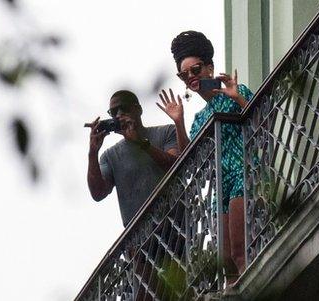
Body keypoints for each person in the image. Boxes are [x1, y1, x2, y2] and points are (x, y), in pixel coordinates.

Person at [156, 30, 254, 283]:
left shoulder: (236, 92)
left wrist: (238, 97)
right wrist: (178, 122)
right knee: (226, 264)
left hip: (240, 173)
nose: (190, 77)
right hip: (219, 186)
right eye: (184, 74)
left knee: (239, 251)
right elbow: (190, 161)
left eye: (195, 69)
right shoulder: (199, 119)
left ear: (209, 68)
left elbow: (261, 119)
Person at [87, 90, 179, 227]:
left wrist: (141, 142)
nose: (119, 114)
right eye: (113, 112)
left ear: (138, 109)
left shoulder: (167, 132)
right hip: (138, 238)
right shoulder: (109, 156)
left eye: (124, 108)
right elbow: (98, 193)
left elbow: (175, 167)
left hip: (175, 222)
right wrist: (93, 153)